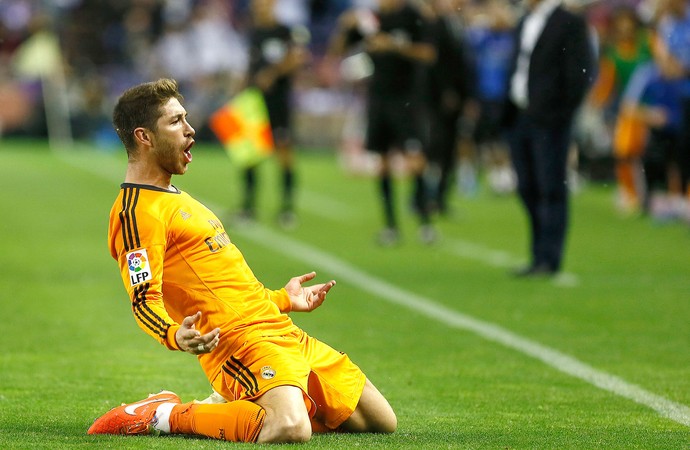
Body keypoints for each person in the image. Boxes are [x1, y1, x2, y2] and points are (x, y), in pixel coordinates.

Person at [87, 78, 397, 443]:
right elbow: (144, 302)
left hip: (278, 329)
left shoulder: (179, 198)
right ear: (144, 137)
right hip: (239, 344)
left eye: (186, 119)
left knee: (380, 421)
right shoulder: (137, 213)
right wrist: (175, 334)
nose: (190, 130)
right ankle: (163, 414)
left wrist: (283, 298)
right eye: (175, 122)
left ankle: (240, 402)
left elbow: (225, 286)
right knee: (290, 428)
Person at [328, 0, 437, 245]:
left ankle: (425, 223)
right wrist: (344, 27)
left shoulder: (411, 15)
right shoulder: (369, 18)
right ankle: (391, 226)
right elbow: (337, 52)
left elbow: (429, 53)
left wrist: (395, 45)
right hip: (378, 99)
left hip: (407, 99)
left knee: (415, 160)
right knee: (383, 162)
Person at [502, 0, 595, 276]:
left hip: (549, 120)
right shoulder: (524, 21)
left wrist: (560, 112)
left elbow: (580, 71)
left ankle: (549, 257)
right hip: (519, 116)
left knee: (551, 187)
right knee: (527, 186)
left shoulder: (569, 22)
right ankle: (538, 253)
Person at [240, 0, 309, 228]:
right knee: (250, 154)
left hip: (278, 101)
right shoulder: (253, 31)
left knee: (284, 151)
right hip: (254, 100)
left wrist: (272, 73)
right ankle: (248, 206)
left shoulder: (285, 31)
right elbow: (249, 65)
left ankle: (287, 209)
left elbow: (297, 58)